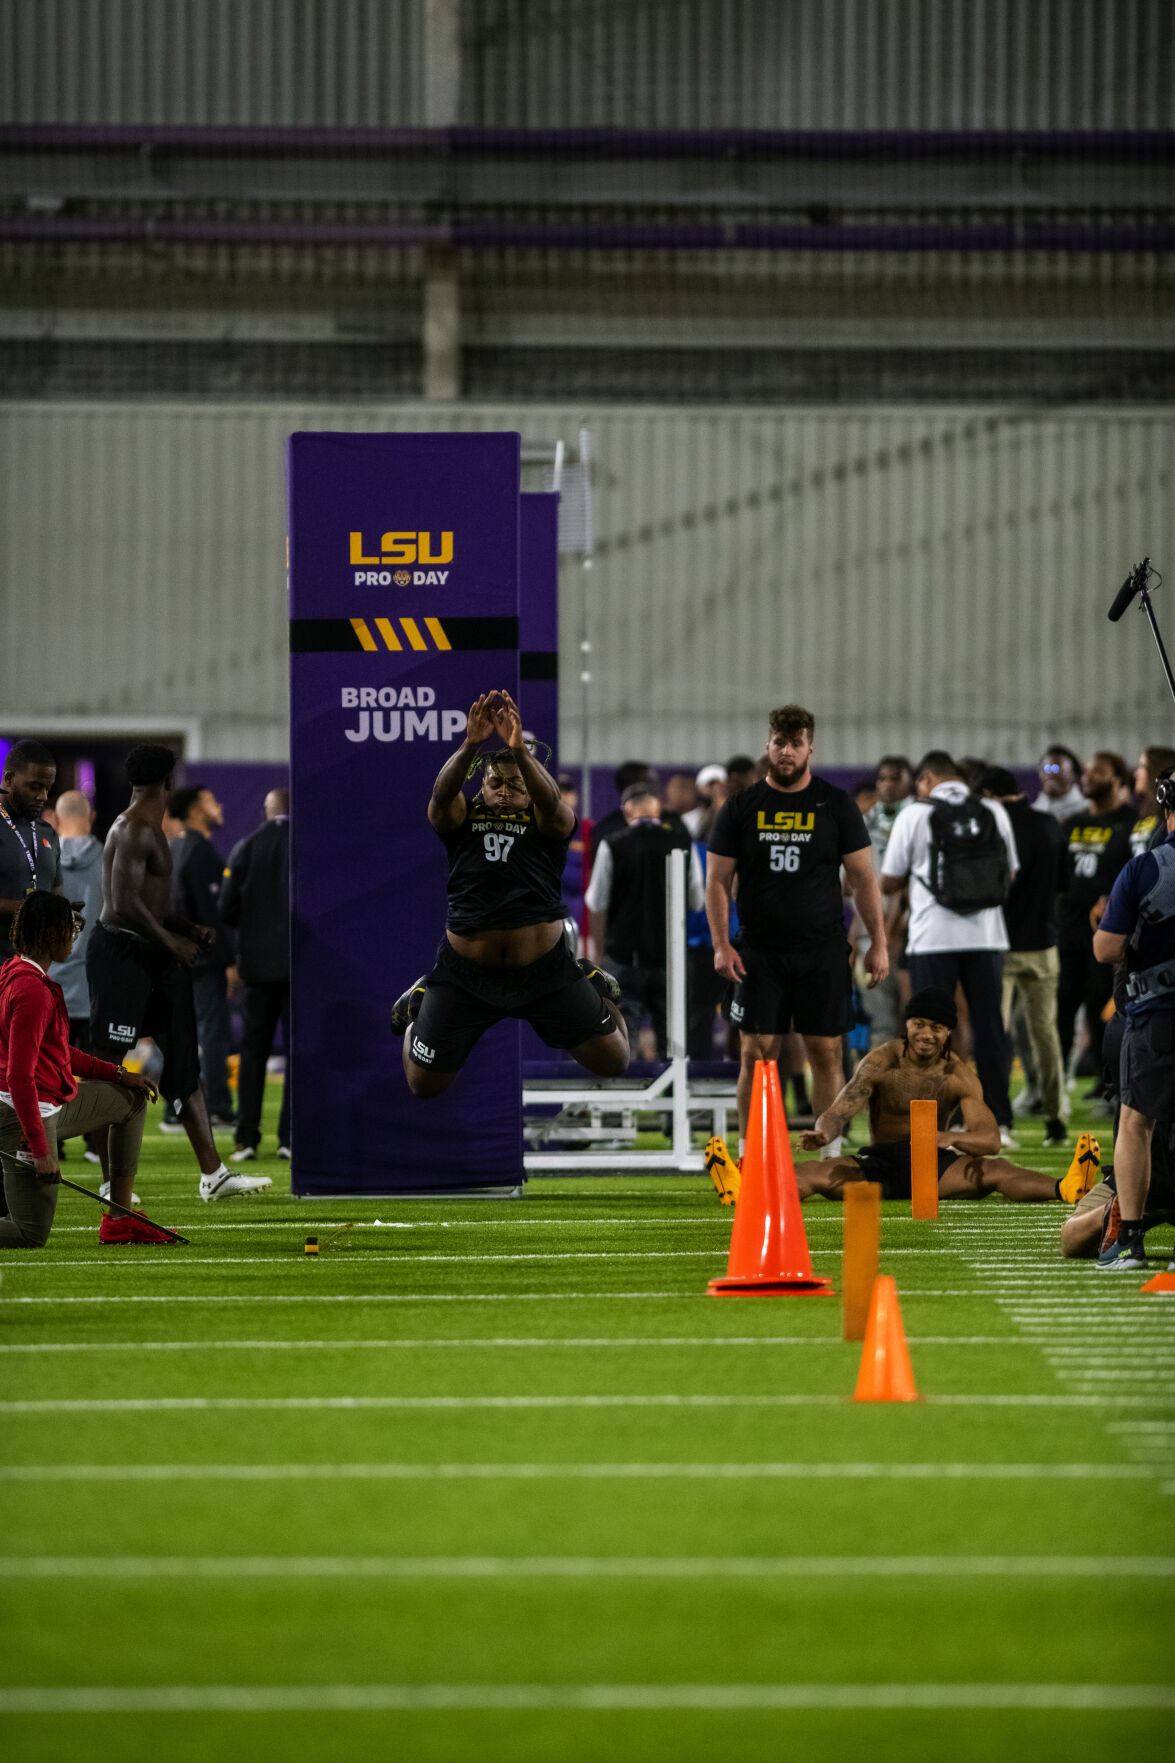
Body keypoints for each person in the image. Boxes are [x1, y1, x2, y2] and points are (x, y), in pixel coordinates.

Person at [394, 692, 629, 1095]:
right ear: (482, 785)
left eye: (515, 785)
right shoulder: (464, 816)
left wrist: (520, 751)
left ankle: (588, 978)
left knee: (615, 1061)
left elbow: (551, 801)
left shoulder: (548, 821)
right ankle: (422, 998)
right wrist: (470, 745)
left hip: (544, 973)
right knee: (423, 1085)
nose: (504, 792)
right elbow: (440, 798)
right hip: (465, 976)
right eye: (495, 783)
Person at [85, 745, 270, 1201]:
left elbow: (153, 905)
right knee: (109, 1067)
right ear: (168, 780)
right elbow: (123, 905)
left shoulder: (153, 829)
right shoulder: (131, 828)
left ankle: (214, 1176)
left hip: (154, 956)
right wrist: (174, 943)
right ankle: (111, 1183)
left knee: (185, 1060)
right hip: (122, 956)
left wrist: (187, 928)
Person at [706, 704, 888, 1152]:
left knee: (825, 1053)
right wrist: (721, 944)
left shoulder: (836, 804)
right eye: (779, 743)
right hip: (759, 951)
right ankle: (752, 1153)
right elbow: (716, 881)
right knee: (757, 1052)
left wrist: (877, 942)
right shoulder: (742, 806)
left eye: (796, 744)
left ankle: (832, 1153)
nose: (787, 752)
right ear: (767, 746)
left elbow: (864, 879)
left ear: (811, 748)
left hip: (821, 948)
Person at [797, 988, 1081, 1206]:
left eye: (936, 1028)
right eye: (919, 1024)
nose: (926, 1034)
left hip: (934, 1169)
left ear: (948, 1032)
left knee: (996, 1170)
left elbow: (990, 1140)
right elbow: (840, 1110)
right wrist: (824, 1133)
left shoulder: (959, 1075)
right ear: (907, 1024)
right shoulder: (881, 1061)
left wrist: (951, 1139)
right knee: (806, 1173)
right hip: (880, 1165)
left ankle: (1065, 1187)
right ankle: (753, 1193)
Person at [0, 892, 164, 1246]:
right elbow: (18, 1075)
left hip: (39, 1106)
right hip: (25, 1115)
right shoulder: (31, 990)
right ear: (49, 934)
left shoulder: (14, 971)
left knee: (131, 1099)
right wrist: (42, 1150)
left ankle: (120, 1219)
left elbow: (58, 1053)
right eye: (68, 930)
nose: (73, 938)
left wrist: (120, 1074)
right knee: (28, 1234)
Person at [880, 749, 1019, 1141]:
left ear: (925, 780)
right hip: (987, 937)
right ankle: (999, 1121)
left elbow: (889, 880)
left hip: (931, 939)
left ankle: (939, 1121)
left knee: (929, 1032)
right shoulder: (994, 811)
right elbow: (1010, 873)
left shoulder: (914, 814)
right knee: (990, 1027)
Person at [1090, 767, 1175, 1270]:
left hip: (1157, 1016)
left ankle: (1132, 1239)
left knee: (1136, 1122)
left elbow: (1107, 948)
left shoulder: (1145, 868)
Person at [982, 766, 1070, 1146]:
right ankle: (1056, 1121)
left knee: (994, 1036)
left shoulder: (994, 822)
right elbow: (1064, 883)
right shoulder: (1050, 824)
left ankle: (1000, 1122)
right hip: (1044, 944)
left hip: (1000, 944)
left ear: (988, 793)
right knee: (1046, 1035)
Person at [585, 781, 703, 1058]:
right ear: (657, 809)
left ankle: (624, 1096)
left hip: (625, 957)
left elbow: (596, 901)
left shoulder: (613, 844)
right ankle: (674, 1096)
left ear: (627, 812)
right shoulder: (683, 841)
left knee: (624, 1037)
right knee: (674, 1042)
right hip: (669, 959)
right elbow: (697, 900)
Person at [1060, 1014, 1175, 1262]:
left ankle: (1123, 1212)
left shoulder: (1128, 1029)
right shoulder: (1133, 1029)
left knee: (1073, 1236)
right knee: (1072, 1236)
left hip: (1138, 1179)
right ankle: (1120, 1208)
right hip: (1143, 1177)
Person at [1055, 749, 1136, 1093]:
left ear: (1118, 779)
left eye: (1098, 771)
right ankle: (1058, 1080)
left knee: (1101, 1004)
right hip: (1068, 929)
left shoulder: (1130, 823)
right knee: (1062, 1005)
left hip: (1108, 931)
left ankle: (1108, 1081)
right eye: (1086, 770)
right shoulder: (1072, 823)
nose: (1087, 776)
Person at [220, 788, 290, 1163]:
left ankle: (246, 1138)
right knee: (297, 1052)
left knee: (253, 1053)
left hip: (258, 969)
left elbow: (226, 908)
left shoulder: (246, 847)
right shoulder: (308, 845)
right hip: (300, 969)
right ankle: (290, 1138)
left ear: (266, 811)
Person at [47, 790, 110, 1180]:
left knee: (48, 1062)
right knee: (95, 1065)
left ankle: (52, 1137)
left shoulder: (43, 857)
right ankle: (94, 1140)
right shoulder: (108, 857)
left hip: (49, 981)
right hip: (94, 983)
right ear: (93, 815)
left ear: (55, 816)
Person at [168, 783, 237, 1127]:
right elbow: (212, 916)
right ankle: (219, 1108)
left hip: (179, 957)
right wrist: (227, 961)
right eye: (211, 800)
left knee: (183, 1034)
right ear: (196, 810)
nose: (219, 804)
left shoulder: (176, 848)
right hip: (204, 960)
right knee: (211, 1033)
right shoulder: (200, 852)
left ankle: (175, 1108)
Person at [858, 756, 915, 1043]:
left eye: (896, 778)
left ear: (911, 781)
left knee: (912, 1014)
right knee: (880, 1017)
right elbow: (857, 884)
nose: (888, 785)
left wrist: (890, 930)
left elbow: (903, 884)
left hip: (908, 934)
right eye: (882, 778)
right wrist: (856, 934)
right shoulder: (866, 821)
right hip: (871, 934)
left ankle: (914, 1083)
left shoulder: (919, 817)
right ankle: (884, 1084)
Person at [0, 739, 62, 961]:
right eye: (35, 787)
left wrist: (64, 914)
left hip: (36, 967)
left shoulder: (48, 833)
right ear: (9, 779)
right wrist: (28, 910)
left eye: (47, 788)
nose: (43, 796)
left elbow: (56, 891)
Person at [1130, 744, 1175, 857]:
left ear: (1156, 770)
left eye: (1141, 766)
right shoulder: (1143, 809)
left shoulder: (1170, 811)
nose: (1136, 773)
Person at [1033, 745, 1085, 822]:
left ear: (1073, 774)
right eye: (1046, 768)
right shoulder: (1036, 808)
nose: (1050, 774)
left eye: (1056, 768)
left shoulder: (1086, 809)